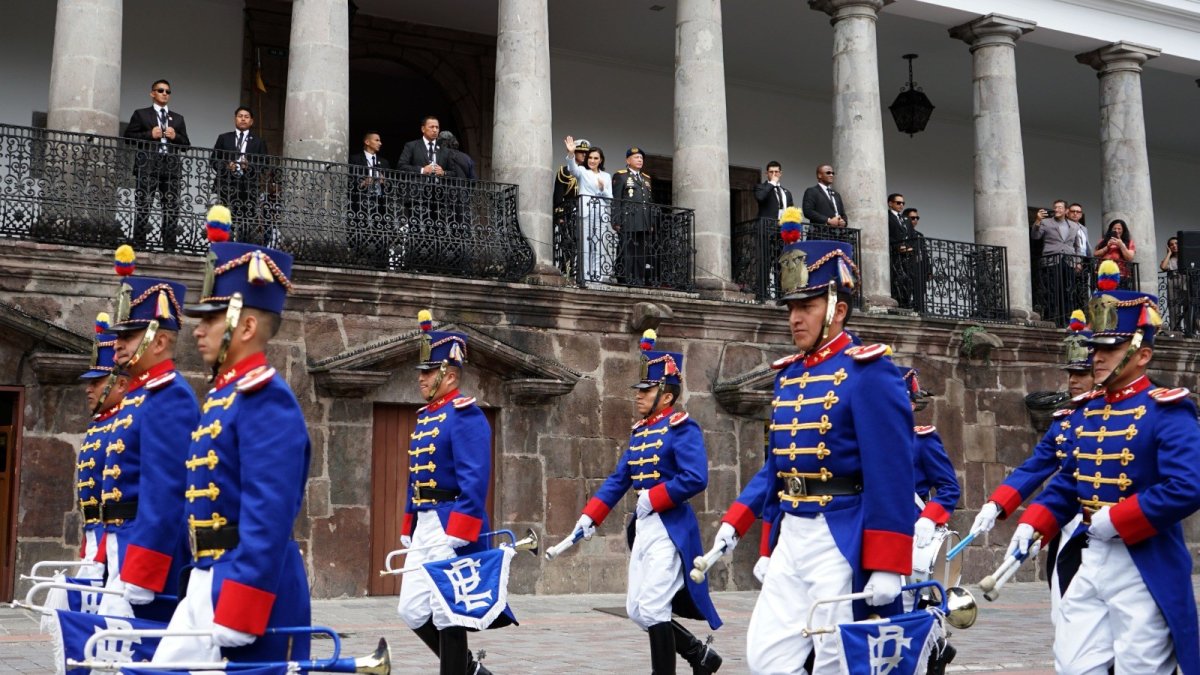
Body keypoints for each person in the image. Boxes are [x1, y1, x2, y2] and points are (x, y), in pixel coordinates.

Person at [710, 229, 914, 672]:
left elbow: (892, 471)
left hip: (840, 531)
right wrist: (744, 526)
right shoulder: (789, 375)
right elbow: (777, 466)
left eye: (807, 306)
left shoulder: (870, 372)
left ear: (838, 309)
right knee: (767, 657)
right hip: (792, 531)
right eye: (791, 307)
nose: (794, 318)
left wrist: (887, 561)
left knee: (835, 660)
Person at [1009, 261, 1200, 674]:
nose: (1096, 357)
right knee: (1074, 663)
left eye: (1110, 348)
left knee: (1141, 666)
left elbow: (1187, 486)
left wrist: (1120, 517)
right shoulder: (1089, 411)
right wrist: (1033, 524)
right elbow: (1069, 483)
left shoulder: (1168, 410)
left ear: (1142, 353)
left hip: (1142, 556)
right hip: (1091, 555)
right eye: (1096, 348)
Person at [151, 214, 312, 664]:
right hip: (209, 575)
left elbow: (269, 512)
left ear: (245, 328)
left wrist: (240, 603)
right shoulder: (225, 396)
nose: (197, 330)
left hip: (246, 586)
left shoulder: (266, 400)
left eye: (211, 319)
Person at [573, 329, 722, 674]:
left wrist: (655, 497)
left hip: (670, 528)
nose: (638, 397)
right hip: (644, 528)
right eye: (639, 390)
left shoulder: (682, 428)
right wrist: (590, 516)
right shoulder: (641, 433)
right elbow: (618, 479)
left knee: (654, 607)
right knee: (638, 609)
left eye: (646, 390)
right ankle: (699, 655)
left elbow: (696, 477)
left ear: (667, 396)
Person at [399, 310, 507, 675]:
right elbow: (415, 476)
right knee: (411, 609)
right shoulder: (427, 416)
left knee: (447, 612)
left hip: (452, 523)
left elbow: (475, 480)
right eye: (422, 372)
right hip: (426, 523)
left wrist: (459, 531)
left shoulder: (464, 415)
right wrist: (408, 519)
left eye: (428, 371)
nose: (422, 378)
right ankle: (472, 670)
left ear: (450, 373)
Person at [969, 315, 1095, 623]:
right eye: (1070, 374)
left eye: (1082, 373)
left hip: (1106, 525)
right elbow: (1035, 467)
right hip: (1065, 523)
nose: (1073, 380)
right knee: (1063, 610)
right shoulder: (1065, 420)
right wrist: (996, 503)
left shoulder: (1113, 415)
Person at [98, 245, 198, 622]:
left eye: (129, 334)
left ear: (158, 341)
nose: (117, 343)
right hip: (125, 546)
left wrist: (141, 574)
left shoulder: (170, 397)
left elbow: (165, 493)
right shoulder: (141, 394)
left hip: (149, 564)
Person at [76, 314, 131, 577]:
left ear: (119, 384)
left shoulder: (121, 424)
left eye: (96, 383)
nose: (89, 389)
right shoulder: (99, 425)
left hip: (113, 539)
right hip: (95, 536)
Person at [124, 79, 191, 251]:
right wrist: (149, 134)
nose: (164, 94)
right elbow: (128, 137)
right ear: (152, 93)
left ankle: (169, 246)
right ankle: (139, 244)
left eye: (168, 91)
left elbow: (186, 145)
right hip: (147, 166)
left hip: (171, 169)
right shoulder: (141, 114)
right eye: (161, 90)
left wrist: (175, 136)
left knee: (171, 207)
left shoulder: (177, 118)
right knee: (144, 205)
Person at [212, 106, 269, 243]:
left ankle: (242, 248)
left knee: (246, 222)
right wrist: (226, 166)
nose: (243, 119)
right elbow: (214, 160)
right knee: (225, 219)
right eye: (240, 116)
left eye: (246, 116)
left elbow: (265, 164)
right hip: (227, 184)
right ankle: (225, 247)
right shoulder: (224, 138)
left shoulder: (258, 141)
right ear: (235, 119)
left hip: (248, 187)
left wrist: (249, 166)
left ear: (251, 121)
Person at [563, 136, 612, 284]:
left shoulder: (606, 176)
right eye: (590, 157)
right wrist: (571, 154)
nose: (592, 160)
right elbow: (572, 169)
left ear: (601, 160)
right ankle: (585, 277)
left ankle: (596, 278)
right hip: (586, 213)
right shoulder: (583, 172)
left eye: (595, 158)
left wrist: (602, 189)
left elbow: (610, 198)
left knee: (598, 246)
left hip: (601, 213)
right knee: (585, 245)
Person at [611, 147, 655, 285]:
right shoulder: (621, 175)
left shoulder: (646, 178)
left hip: (644, 221)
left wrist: (652, 222)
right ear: (628, 160)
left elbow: (649, 202)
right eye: (636, 157)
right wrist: (616, 220)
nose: (640, 160)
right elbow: (617, 200)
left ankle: (639, 279)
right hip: (628, 219)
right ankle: (625, 278)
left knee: (642, 252)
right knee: (627, 251)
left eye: (641, 158)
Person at [347, 131, 390, 267]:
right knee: (361, 230)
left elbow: (392, 185)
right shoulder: (355, 159)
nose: (380, 143)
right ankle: (358, 259)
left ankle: (379, 261)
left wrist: (385, 182)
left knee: (378, 231)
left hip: (379, 203)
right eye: (376, 140)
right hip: (360, 203)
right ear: (367, 142)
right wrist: (362, 183)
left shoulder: (384, 162)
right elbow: (348, 181)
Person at [553, 138, 590, 276]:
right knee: (569, 242)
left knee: (585, 242)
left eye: (585, 153)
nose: (584, 156)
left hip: (586, 212)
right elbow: (558, 195)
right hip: (570, 211)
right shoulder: (565, 171)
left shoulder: (588, 172)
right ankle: (567, 268)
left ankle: (583, 270)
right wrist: (560, 215)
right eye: (581, 152)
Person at [397, 116, 462, 178]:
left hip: (438, 189)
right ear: (423, 129)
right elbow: (401, 167)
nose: (435, 130)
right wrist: (422, 170)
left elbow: (454, 173)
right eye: (431, 127)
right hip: (418, 188)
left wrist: (443, 173)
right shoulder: (411, 146)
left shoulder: (445, 150)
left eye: (437, 127)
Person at [800, 164, 847, 229]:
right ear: (819, 175)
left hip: (838, 235)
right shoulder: (812, 191)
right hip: (820, 234)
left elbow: (843, 213)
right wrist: (828, 220)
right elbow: (808, 211)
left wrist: (843, 222)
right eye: (828, 173)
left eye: (833, 173)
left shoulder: (836, 194)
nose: (831, 175)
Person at [887, 193, 914, 308]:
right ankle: (897, 301)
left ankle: (906, 302)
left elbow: (912, 235)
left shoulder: (906, 219)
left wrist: (910, 247)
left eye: (903, 203)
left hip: (907, 255)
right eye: (898, 203)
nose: (901, 205)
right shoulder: (886, 216)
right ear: (890, 203)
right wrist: (897, 246)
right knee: (896, 279)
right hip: (894, 254)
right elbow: (885, 235)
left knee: (908, 279)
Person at [1160, 236, 1187, 333]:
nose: (1174, 246)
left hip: (1186, 283)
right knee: (1173, 308)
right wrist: (1169, 253)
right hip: (1173, 283)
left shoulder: (1186, 256)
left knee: (1188, 307)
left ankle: (1190, 331)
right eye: (1171, 245)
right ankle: (1176, 332)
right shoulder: (1170, 259)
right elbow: (1163, 267)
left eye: (1176, 243)